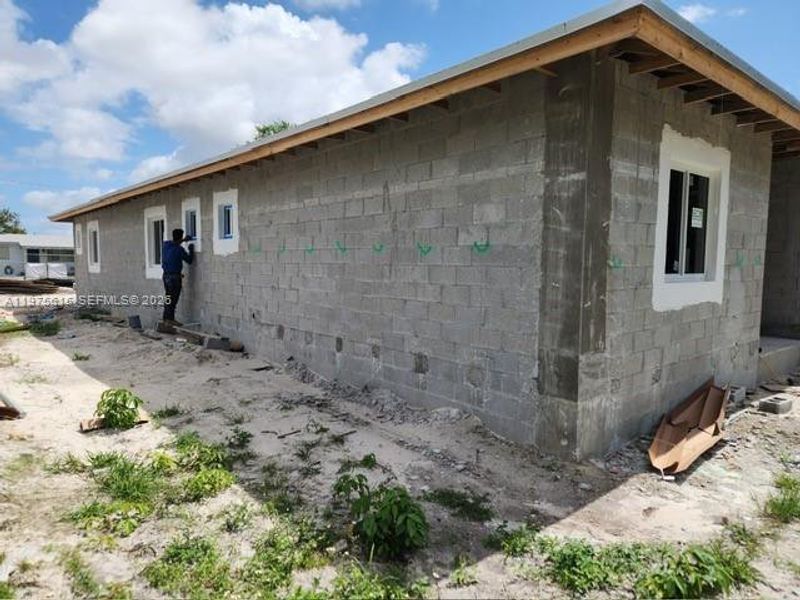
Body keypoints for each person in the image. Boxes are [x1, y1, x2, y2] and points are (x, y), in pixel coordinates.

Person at [162, 228, 194, 325]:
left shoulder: (166, 245)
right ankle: (170, 319)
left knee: (168, 297)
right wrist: (191, 250)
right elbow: (189, 260)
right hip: (174, 278)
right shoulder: (179, 250)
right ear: (181, 237)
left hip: (166, 276)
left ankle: (166, 318)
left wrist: (183, 240)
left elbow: (174, 244)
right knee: (173, 298)